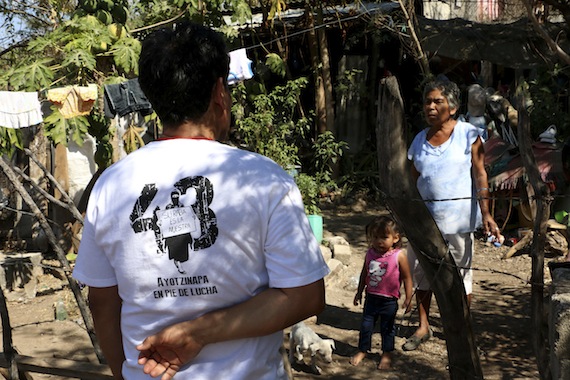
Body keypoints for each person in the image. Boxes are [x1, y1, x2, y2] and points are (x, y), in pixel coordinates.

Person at [72, 21, 330, 380]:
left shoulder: (111, 184)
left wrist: (125, 373)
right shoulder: (265, 179)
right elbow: (304, 296)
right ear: (220, 93)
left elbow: (102, 301)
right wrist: (198, 333)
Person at [403, 78, 501, 351]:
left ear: (454, 107)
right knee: (422, 273)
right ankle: (424, 326)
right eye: (427, 101)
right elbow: (412, 182)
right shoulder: (419, 140)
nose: (431, 107)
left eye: (438, 101)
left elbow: (480, 174)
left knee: (460, 276)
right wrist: (407, 218)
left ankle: (460, 328)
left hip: (457, 221)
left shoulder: (469, 134)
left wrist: (487, 214)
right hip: (424, 223)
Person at [350, 216, 413, 370]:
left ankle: (386, 353)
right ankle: (363, 349)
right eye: (375, 237)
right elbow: (364, 274)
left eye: (384, 237)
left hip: (389, 301)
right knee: (366, 326)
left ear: (395, 238)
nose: (379, 241)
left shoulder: (399, 256)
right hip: (371, 298)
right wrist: (359, 292)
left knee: (387, 328)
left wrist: (409, 298)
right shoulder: (370, 253)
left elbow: (407, 277)